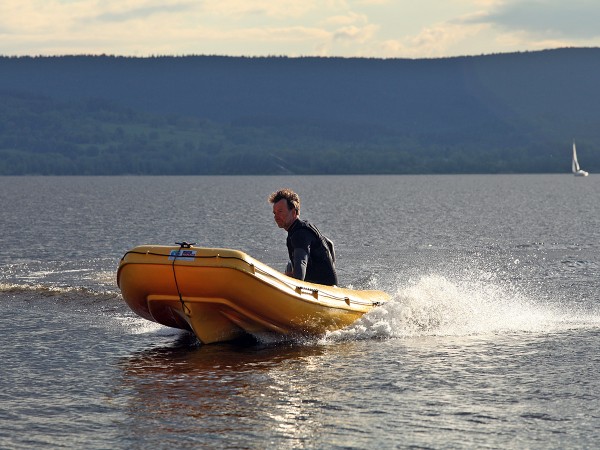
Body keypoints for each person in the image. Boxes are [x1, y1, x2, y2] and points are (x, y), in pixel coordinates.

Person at [268, 188, 338, 286]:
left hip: (322, 290)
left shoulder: (300, 234)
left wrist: (296, 285)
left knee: (296, 263)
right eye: (274, 213)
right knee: (290, 265)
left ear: (293, 212)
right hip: (322, 285)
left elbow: (301, 262)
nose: (276, 216)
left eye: (280, 211)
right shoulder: (302, 228)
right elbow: (329, 243)